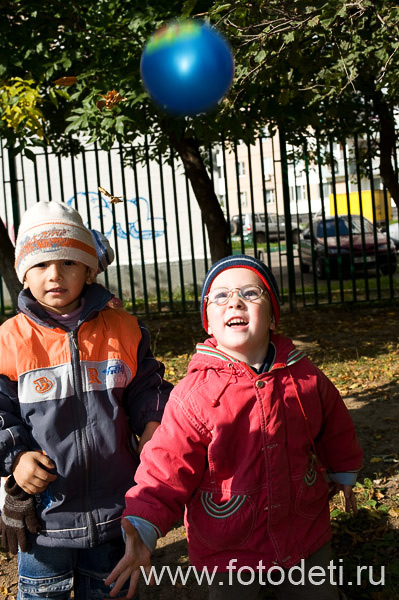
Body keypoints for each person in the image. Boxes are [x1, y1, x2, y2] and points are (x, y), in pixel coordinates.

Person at [105, 254, 363, 600]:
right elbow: (165, 468)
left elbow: (334, 425)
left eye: (251, 293)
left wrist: (343, 471)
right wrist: (144, 523)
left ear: (272, 316)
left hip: (302, 529)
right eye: (221, 295)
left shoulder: (304, 375)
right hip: (229, 544)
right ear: (208, 322)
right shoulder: (194, 396)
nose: (235, 301)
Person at [0, 201, 172, 599]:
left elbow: (148, 385)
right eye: (40, 265)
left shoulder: (124, 329)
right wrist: (16, 457)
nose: (55, 275)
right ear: (24, 274)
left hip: (116, 511)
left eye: (68, 263)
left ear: (89, 269)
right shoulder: (9, 340)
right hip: (45, 520)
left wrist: (153, 425)